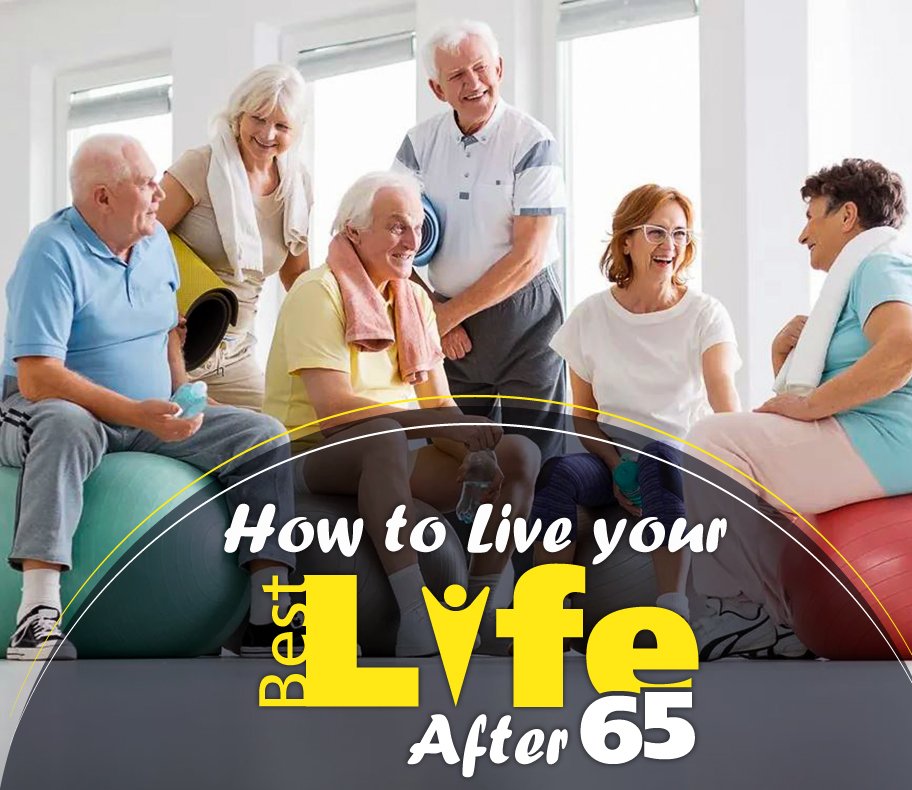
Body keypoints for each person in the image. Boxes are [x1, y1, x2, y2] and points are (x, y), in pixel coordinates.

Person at [2, 134, 299, 660]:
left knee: (263, 436)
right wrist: (135, 411)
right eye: (145, 184)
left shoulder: (155, 242)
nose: (160, 193)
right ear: (102, 197)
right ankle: (37, 616)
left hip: (144, 411)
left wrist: (180, 388)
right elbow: (38, 377)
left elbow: (167, 332)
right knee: (65, 423)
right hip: (48, 409)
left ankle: (265, 617)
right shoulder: (51, 252)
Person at [263, 171, 541, 657]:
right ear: (354, 231)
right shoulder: (317, 291)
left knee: (517, 453)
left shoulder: (413, 298)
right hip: (308, 451)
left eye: (417, 227)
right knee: (383, 436)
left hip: (389, 450)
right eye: (395, 227)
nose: (412, 241)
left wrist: (470, 442)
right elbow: (333, 412)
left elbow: (437, 403)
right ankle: (414, 614)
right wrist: (439, 427)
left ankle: (482, 609)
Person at [686, 158, 912, 659]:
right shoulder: (864, 277)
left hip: (898, 441)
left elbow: (906, 350)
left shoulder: (881, 264)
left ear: (847, 216)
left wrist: (811, 406)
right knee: (737, 449)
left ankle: (746, 614)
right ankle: (772, 617)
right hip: (887, 439)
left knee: (710, 441)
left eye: (812, 215)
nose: (803, 233)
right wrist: (783, 362)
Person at [530, 185, 741, 621]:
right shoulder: (590, 316)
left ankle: (673, 614)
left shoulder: (705, 314)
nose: (670, 246)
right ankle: (549, 618)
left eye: (680, 234)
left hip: (679, 460)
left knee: (660, 457)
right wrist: (615, 466)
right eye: (656, 232)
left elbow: (725, 404)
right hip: (612, 458)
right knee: (558, 474)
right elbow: (584, 418)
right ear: (626, 241)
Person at [393, 20, 567, 460]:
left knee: (530, 457)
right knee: (454, 455)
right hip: (449, 319)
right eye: (456, 76)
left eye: (480, 68)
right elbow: (387, 236)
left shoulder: (532, 140)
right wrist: (432, 309)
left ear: (499, 69)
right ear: (438, 89)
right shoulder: (418, 143)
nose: (472, 82)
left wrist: (446, 316)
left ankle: (532, 531)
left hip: (525, 320)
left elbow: (529, 255)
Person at [158, 63, 313, 410]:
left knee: (276, 438)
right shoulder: (199, 165)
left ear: (296, 131)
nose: (267, 133)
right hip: (175, 345)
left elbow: (298, 277)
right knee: (228, 436)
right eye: (258, 118)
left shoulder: (296, 184)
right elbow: (137, 241)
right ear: (238, 115)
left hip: (236, 352)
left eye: (281, 125)